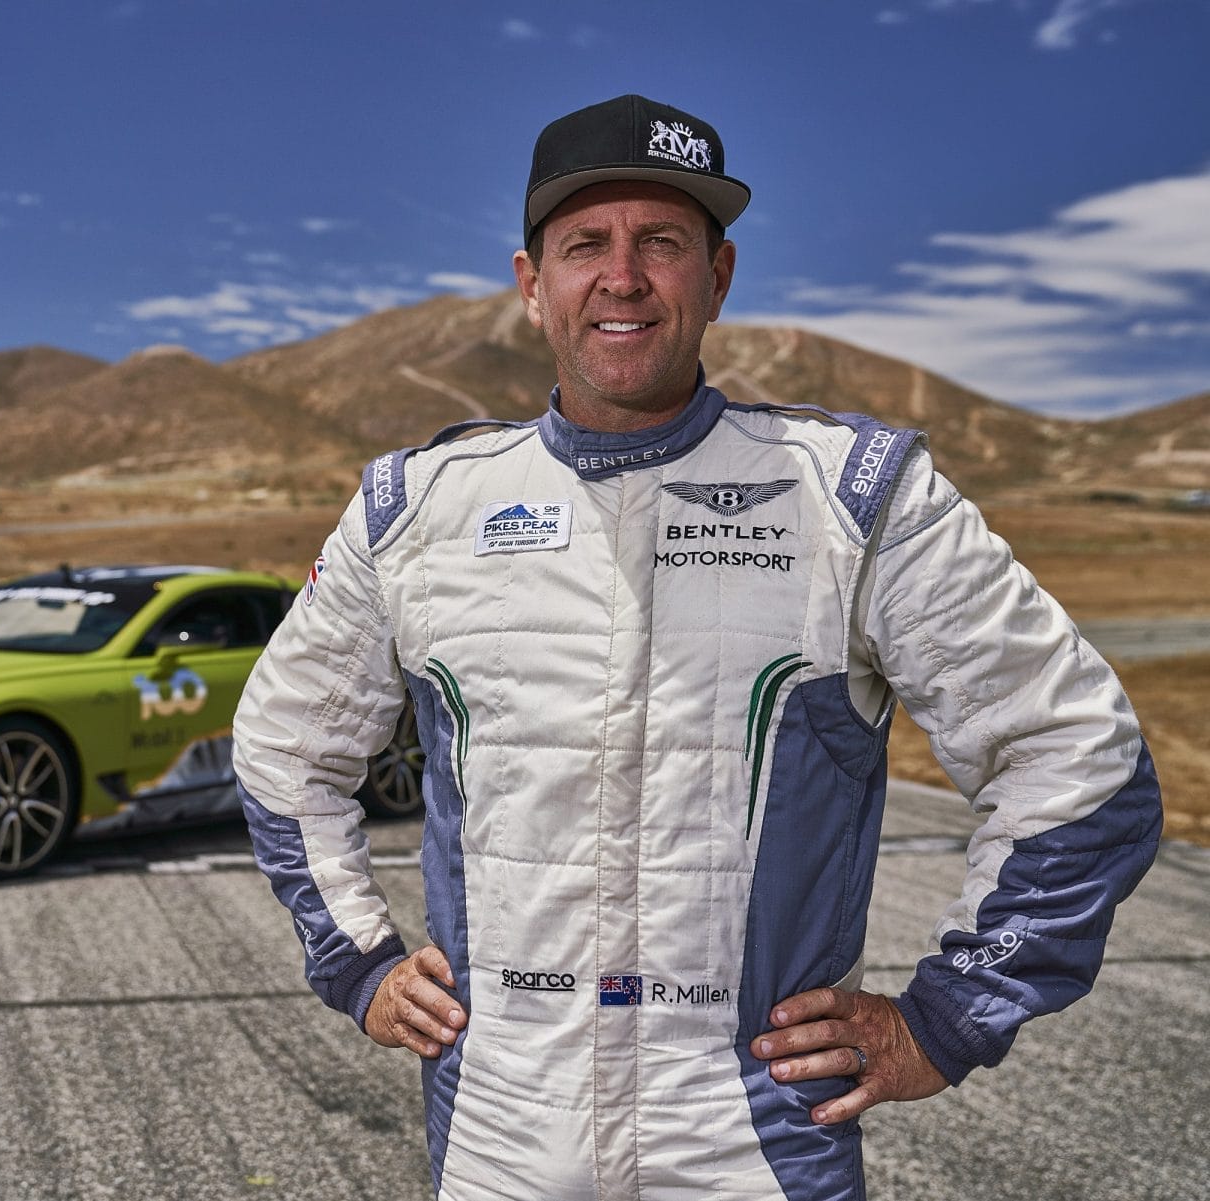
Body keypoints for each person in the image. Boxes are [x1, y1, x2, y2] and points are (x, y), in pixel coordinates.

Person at [233, 94, 1162, 1200]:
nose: (622, 277)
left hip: (751, 1142)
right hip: (498, 1130)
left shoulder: (854, 497)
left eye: (661, 243)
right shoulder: (415, 507)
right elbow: (285, 747)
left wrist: (948, 1018)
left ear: (717, 277)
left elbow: (1081, 759)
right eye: (585, 245)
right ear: (532, 286)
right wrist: (358, 960)